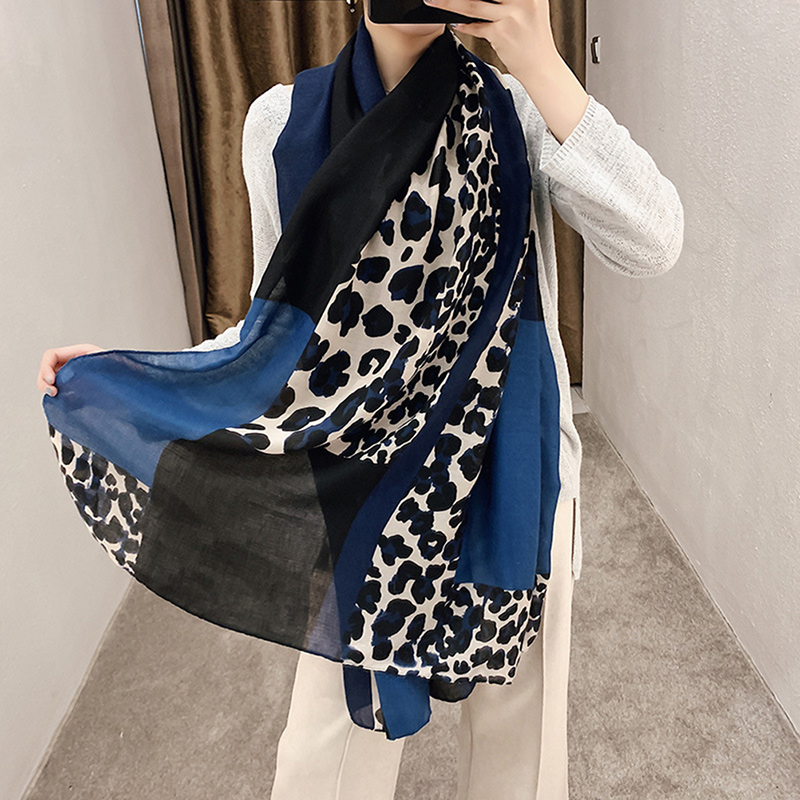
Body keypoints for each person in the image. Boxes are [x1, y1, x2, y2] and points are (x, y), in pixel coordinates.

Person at [38, 0, 684, 797]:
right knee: (323, 764)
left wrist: (542, 62)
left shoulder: (518, 107)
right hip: (359, 485)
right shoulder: (281, 124)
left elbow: (654, 242)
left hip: (515, 477)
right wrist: (136, 372)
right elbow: (270, 339)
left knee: (521, 763)